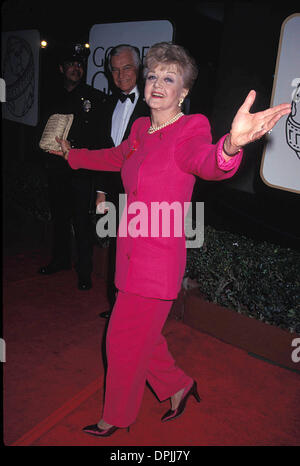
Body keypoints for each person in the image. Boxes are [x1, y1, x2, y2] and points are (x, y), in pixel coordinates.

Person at [50, 42, 291, 437]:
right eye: (152, 76)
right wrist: (72, 156)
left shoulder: (190, 129)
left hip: (158, 261)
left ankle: (118, 418)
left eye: (168, 78)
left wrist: (231, 146)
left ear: (183, 92)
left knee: (122, 340)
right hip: (128, 253)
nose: (157, 83)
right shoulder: (142, 129)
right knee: (144, 338)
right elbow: (117, 158)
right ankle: (179, 386)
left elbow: (208, 162)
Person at [38, 44, 109, 290]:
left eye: (79, 65)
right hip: (57, 168)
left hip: (81, 170)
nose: (76, 68)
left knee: (81, 222)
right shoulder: (51, 96)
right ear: (61, 68)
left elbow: (100, 138)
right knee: (59, 217)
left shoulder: (94, 97)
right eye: (71, 64)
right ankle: (60, 259)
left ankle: (84, 272)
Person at [95, 44, 149, 317]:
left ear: (138, 69)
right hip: (116, 194)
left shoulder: (153, 106)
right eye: (115, 70)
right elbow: (107, 154)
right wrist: (102, 191)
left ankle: (134, 309)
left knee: (139, 256)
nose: (120, 75)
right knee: (119, 251)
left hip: (143, 196)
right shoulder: (108, 105)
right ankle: (117, 305)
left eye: (126, 68)